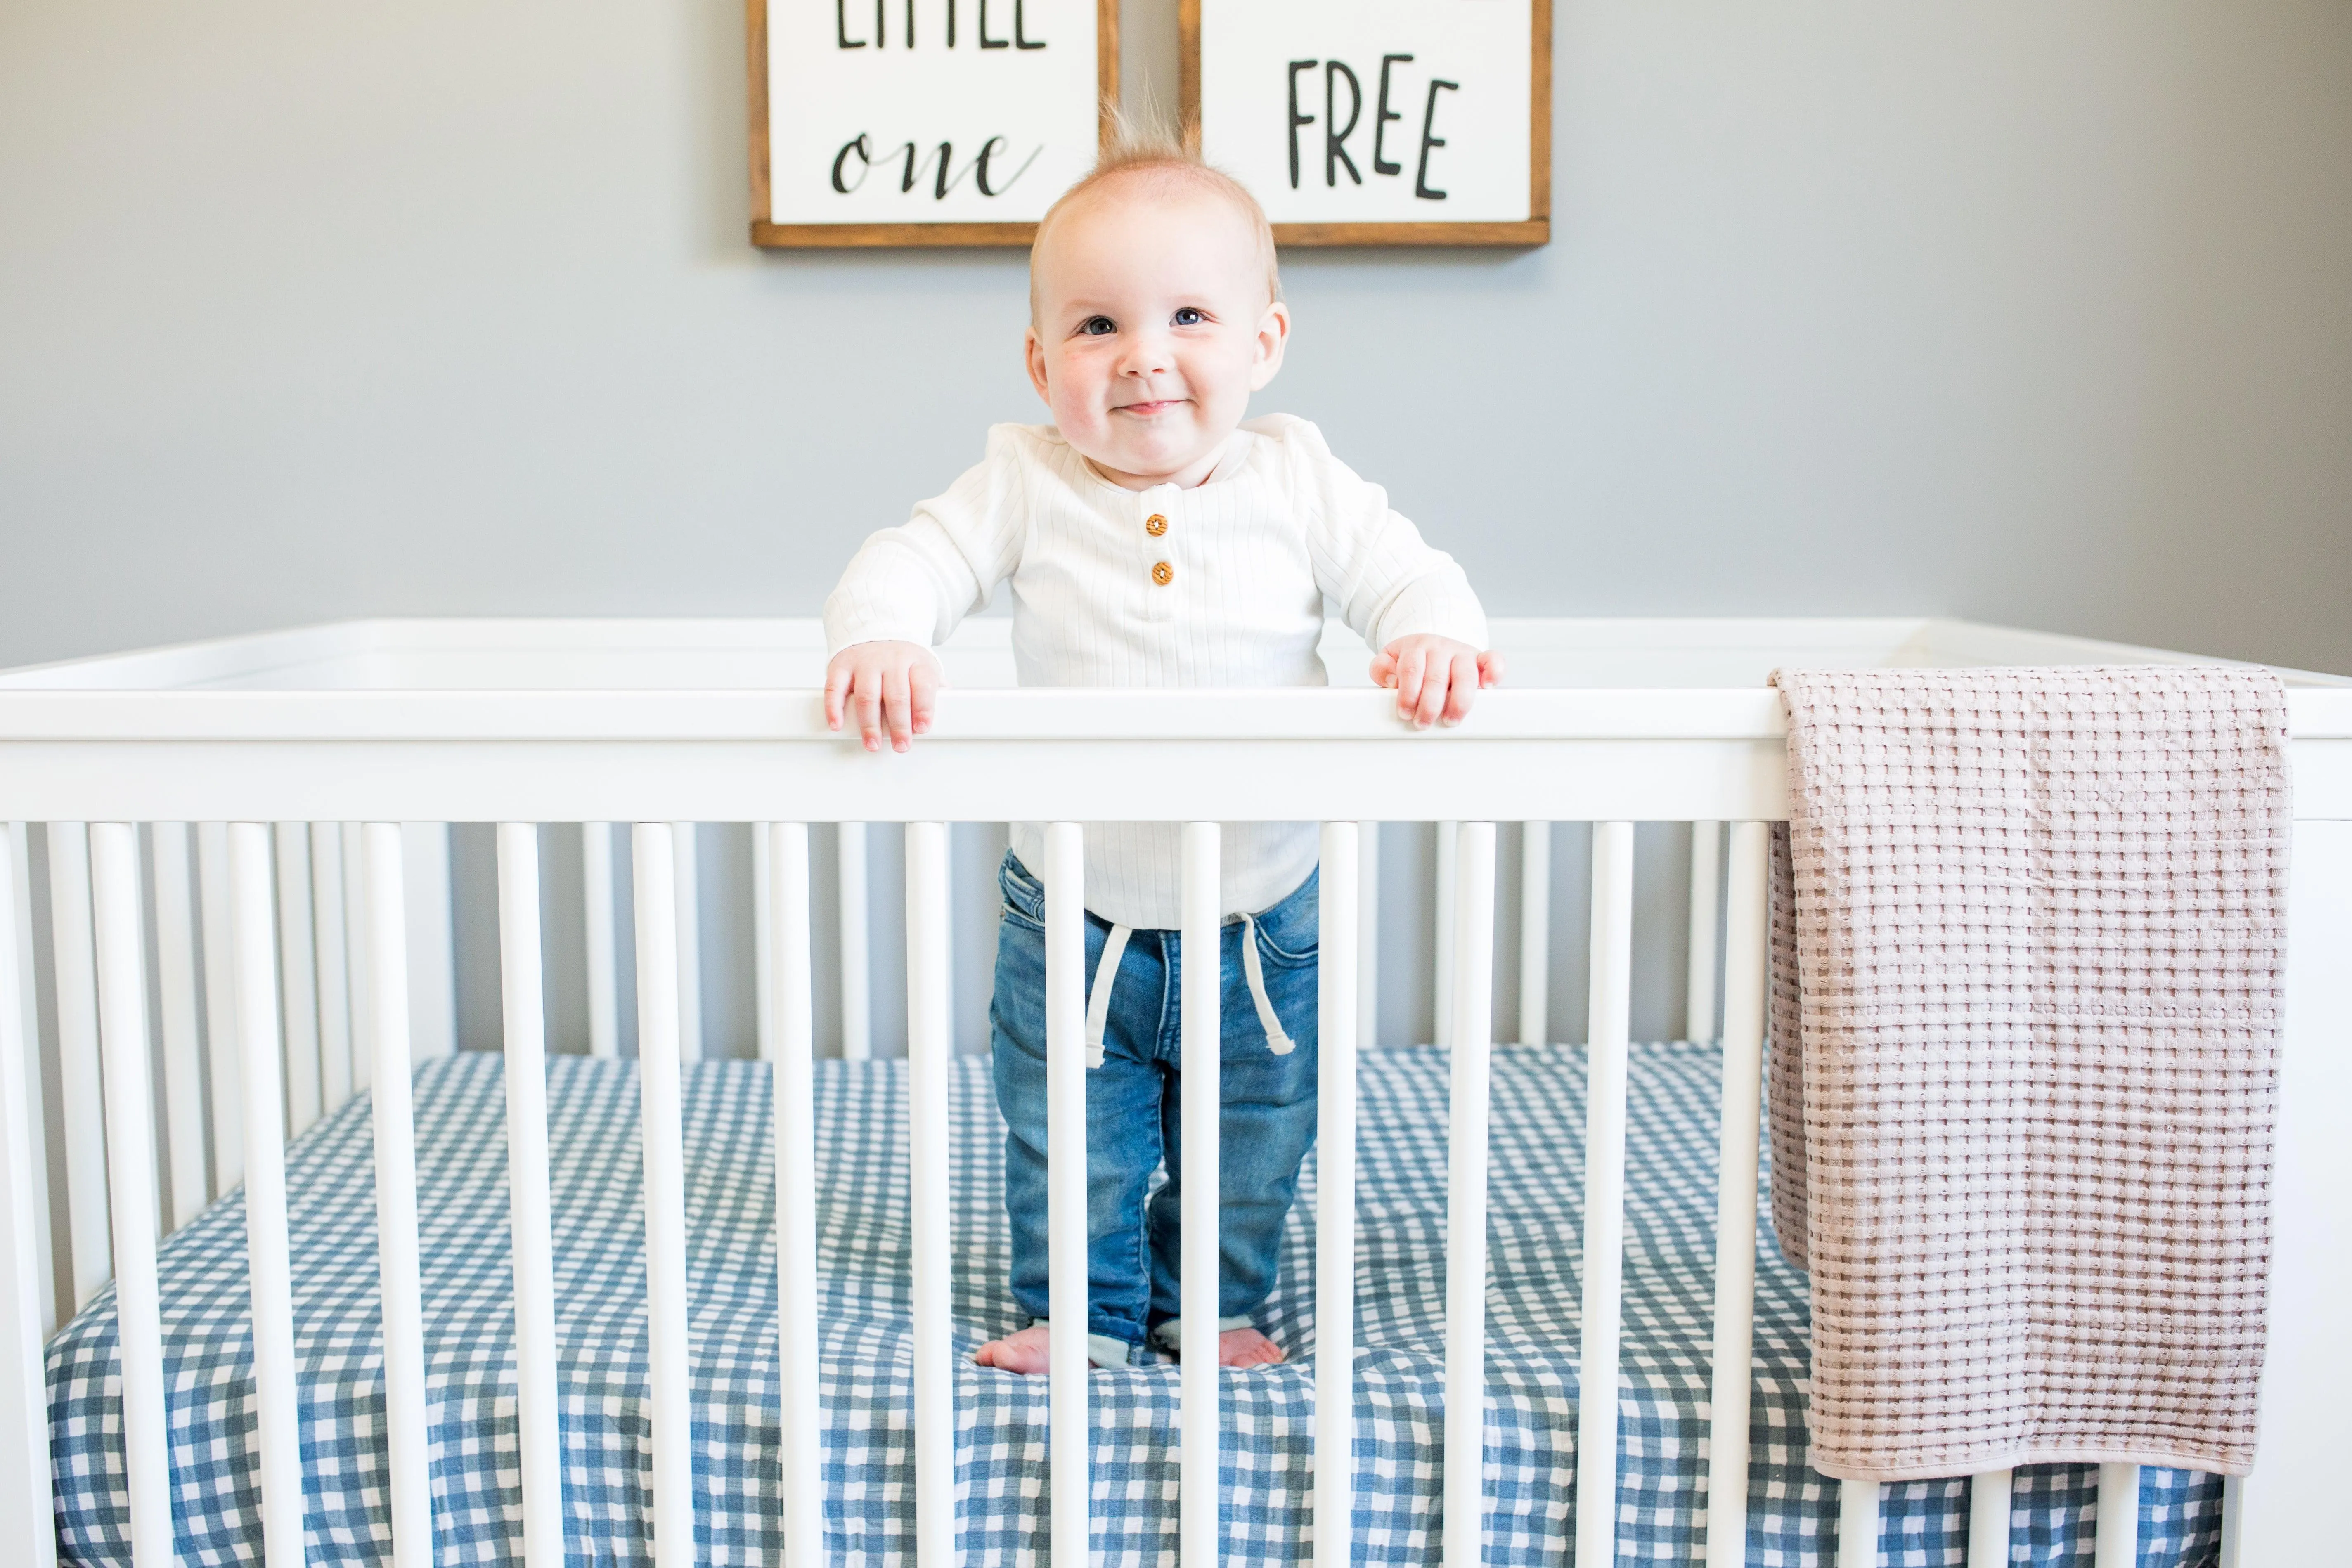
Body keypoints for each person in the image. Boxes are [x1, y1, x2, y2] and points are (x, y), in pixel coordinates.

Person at [820, 126, 1497, 1373]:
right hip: (1075, 914)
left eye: (1189, 315)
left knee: (1253, 1133)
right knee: (1069, 1134)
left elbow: (1409, 572)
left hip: (1259, 911)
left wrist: (1433, 636)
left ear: (1264, 343)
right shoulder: (1024, 480)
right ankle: (1081, 1312)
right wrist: (886, 639)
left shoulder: (1297, 478)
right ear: (1040, 362)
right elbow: (910, 559)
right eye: (1095, 327)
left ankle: (1214, 1306)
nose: (1144, 358)